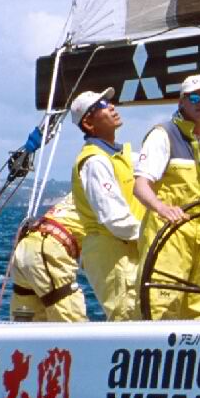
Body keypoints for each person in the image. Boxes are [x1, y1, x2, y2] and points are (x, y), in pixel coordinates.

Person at [133, 73, 200, 320]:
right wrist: (162, 208)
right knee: (161, 305)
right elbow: (140, 185)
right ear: (181, 101)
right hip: (170, 234)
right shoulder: (163, 135)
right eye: (195, 98)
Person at [69, 87, 143, 321]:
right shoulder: (95, 161)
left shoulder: (119, 156)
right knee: (128, 315)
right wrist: (152, 235)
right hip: (113, 253)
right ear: (88, 123)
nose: (111, 107)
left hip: (129, 248)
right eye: (101, 106)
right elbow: (115, 219)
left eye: (110, 102)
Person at [9, 192, 87, 322]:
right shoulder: (112, 193)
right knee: (70, 321)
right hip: (49, 250)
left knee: (27, 321)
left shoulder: (77, 193)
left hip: (28, 246)